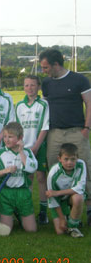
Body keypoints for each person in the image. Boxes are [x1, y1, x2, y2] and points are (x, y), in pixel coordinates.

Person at [40, 48, 91, 226]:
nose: (43, 71)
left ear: (56, 64)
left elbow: (89, 102)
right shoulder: (46, 83)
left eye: (45, 67)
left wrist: (87, 127)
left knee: (85, 169)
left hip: (77, 131)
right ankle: (60, 213)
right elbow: (44, 109)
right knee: (54, 170)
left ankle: (88, 211)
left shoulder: (79, 79)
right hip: (55, 133)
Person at [15, 75, 49, 224]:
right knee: (27, 179)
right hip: (24, 148)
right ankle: (26, 210)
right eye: (27, 85)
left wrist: (36, 146)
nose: (30, 88)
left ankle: (43, 212)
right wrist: (23, 147)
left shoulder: (43, 104)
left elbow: (44, 127)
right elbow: (17, 128)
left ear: (38, 87)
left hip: (39, 147)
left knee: (41, 178)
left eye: (33, 85)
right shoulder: (19, 106)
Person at [0, 122, 38, 233]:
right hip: (6, 193)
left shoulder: (27, 152)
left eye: (10, 137)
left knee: (31, 229)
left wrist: (21, 152)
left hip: (23, 193)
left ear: (20, 138)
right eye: (5, 136)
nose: (6, 139)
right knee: (6, 231)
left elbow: (32, 168)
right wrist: (6, 171)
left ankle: (20, 214)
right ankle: (9, 213)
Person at [46, 143, 85, 238]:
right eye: (66, 159)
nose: (69, 163)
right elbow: (52, 198)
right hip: (58, 201)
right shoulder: (53, 173)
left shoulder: (81, 164)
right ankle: (68, 217)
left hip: (71, 196)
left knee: (78, 197)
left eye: (73, 159)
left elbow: (80, 187)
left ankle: (73, 226)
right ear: (59, 159)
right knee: (60, 232)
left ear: (77, 158)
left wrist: (57, 192)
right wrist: (61, 218)